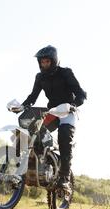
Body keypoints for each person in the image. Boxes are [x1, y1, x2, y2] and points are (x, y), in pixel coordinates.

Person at [21, 45, 87, 194]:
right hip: (51, 112)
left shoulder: (66, 73)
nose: (44, 65)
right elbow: (33, 97)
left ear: (54, 61)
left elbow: (81, 94)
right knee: (36, 134)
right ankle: (40, 166)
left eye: (47, 62)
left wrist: (73, 105)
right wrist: (22, 105)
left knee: (64, 138)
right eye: (42, 62)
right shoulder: (40, 77)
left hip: (67, 112)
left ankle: (64, 178)